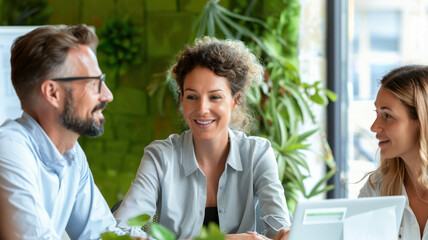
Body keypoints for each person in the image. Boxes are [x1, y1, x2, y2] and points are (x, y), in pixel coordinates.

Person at [114, 37, 291, 240]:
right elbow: (121, 232)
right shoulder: (160, 157)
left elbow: (280, 230)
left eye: (215, 97)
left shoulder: (257, 154)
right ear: (181, 99)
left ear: (235, 100)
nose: (202, 109)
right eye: (192, 97)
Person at [0, 24, 141, 240]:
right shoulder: (8, 149)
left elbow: (102, 235)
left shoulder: (72, 156)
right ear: (53, 93)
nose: (108, 95)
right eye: (94, 83)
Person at [359, 65, 428, 240]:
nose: (374, 127)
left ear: (421, 121)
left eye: (387, 116)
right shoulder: (377, 188)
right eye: (377, 113)